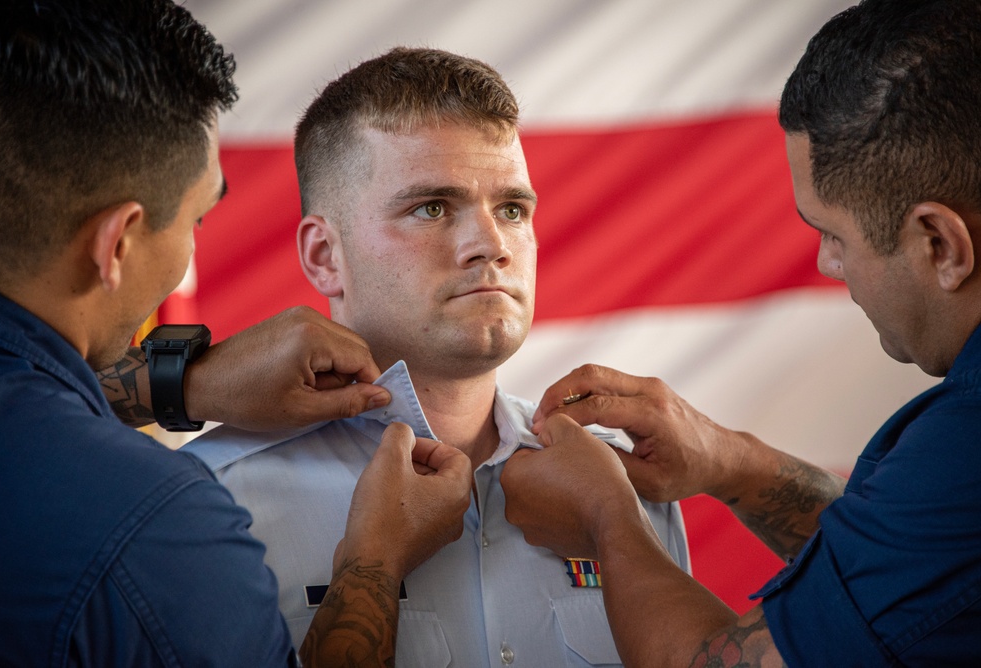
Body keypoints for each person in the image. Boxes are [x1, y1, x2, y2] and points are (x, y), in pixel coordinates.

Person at [0, 2, 471, 666]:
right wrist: (375, 560)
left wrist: (183, 382)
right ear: (118, 243)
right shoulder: (153, 525)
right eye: (197, 219)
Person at [500, 0, 981, 665]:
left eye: (834, 235)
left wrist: (608, 518)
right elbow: (913, 567)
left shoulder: (965, 449)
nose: (825, 263)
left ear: (941, 244)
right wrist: (733, 464)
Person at [184, 47, 691, 667]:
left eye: (512, 208)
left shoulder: (631, 492)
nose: (493, 244)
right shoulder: (211, 502)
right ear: (324, 257)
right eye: (431, 207)